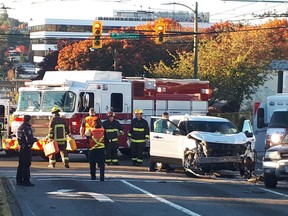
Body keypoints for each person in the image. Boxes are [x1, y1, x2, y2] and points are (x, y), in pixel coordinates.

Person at [80, 108, 105, 181]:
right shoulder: (98, 120)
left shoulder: (85, 119)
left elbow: (82, 128)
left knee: (92, 163)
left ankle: (93, 177)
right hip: (101, 148)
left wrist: (82, 134)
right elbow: (106, 139)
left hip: (91, 142)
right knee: (101, 164)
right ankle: (102, 177)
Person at [16, 115, 37, 186]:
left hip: (21, 147)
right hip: (26, 148)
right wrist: (34, 140)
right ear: (28, 120)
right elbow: (28, 138)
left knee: (21, 164)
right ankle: (26, 180)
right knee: (26, 164)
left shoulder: (20, 127)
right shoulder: (26, 128)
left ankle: (19, 180)